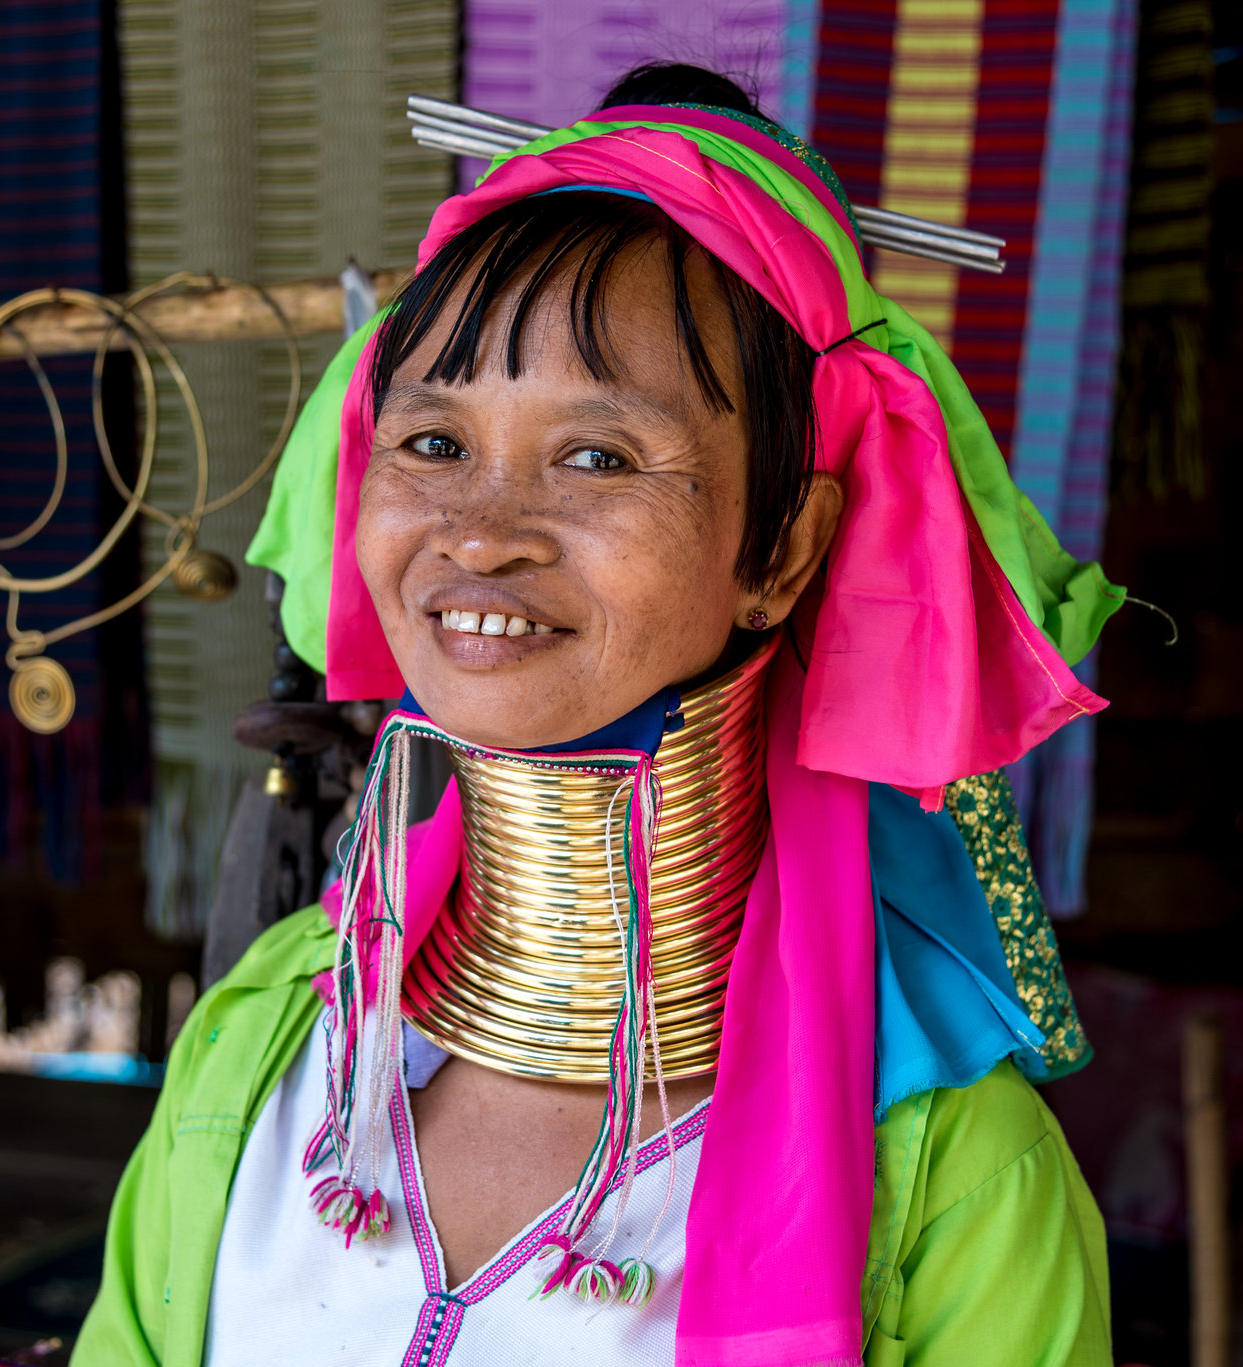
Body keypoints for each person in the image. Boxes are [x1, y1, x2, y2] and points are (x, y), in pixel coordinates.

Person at [76, 63, 1122, 1367]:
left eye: (597, 456)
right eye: (436, 445)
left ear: (782, 552)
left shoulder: (949, 1177)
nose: (481, 537)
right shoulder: (269, 1035)